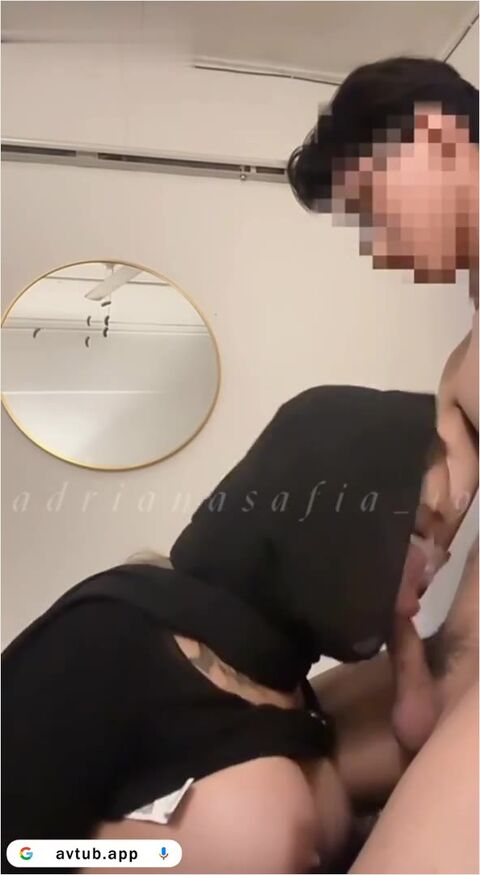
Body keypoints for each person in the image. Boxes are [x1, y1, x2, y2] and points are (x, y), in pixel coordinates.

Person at [1, 386, 466, 875]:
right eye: (418, 532)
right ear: (335, 522)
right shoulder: (108, 633)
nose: (431, 565)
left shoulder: (278, 675)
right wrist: (149, 855)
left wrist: (404, 648)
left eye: (441, 545)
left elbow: (417, 724)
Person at [288, 55, 479, 873]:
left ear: (435, 134)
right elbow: (415, 544)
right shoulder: (463, 364)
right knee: (250, 749)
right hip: (451, 663)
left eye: (371, 205)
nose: (376, 245)